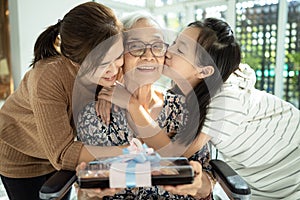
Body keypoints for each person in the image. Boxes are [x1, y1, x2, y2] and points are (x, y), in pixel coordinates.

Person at [76, 12, 214, 200]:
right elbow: (84, 192)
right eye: (136, 47)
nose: (148, 56)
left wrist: (198, 184)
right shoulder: (95, 115)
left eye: (157, 46)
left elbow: (206, 185)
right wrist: (89, 193)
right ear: (119, 54)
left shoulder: (186, 111)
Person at [162, 17, 300, 199]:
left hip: (291, 168)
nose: (168, 51)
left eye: (179, 50)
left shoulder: (226, 98)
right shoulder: (191, 93)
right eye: (173, 43)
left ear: (204, 71)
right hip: (262, 179)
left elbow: (180, 152)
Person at [0, 2, 123, 200]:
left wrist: (109, 90)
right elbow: (63, 155)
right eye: (103, 64)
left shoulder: (108, 66)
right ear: (76, 61)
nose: (115, 69)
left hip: (55, 150)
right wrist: (124, 153)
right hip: (21, 156)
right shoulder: (48, 77)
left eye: (118, 57)